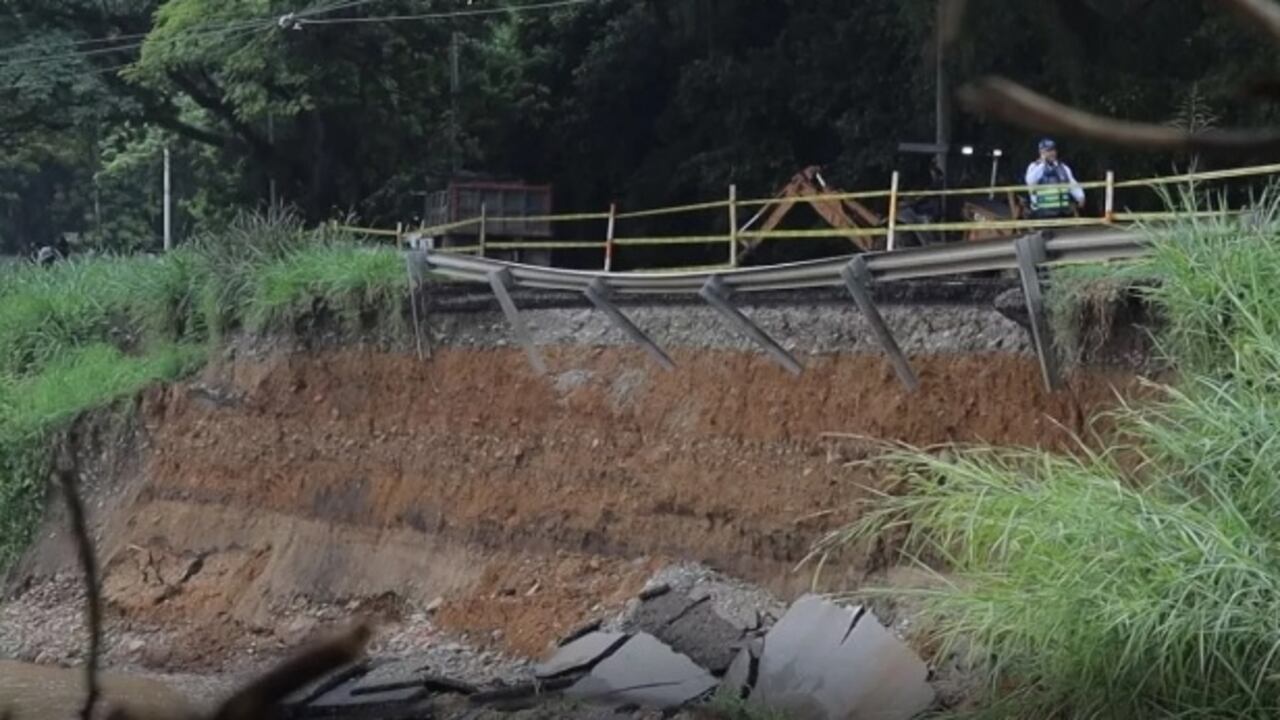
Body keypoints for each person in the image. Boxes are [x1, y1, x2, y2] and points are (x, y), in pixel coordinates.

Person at [1025, 139, 1085, 218]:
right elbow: (1030, 181)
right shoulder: (1034, 167)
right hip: (1041, 213)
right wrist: (1043, 163)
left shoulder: (1063, 167)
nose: (1052, 153)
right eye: (1048, 151)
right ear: (1041, 152)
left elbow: (1072, 183)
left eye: (1053, 150)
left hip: (1063, 212)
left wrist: (1080, 197)